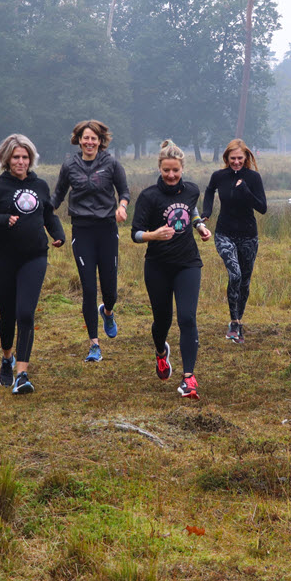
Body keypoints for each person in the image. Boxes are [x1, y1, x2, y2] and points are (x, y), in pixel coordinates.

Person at [0, 134, 65, 395]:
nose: (21, 162)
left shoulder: (40, 186)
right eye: (16, 157)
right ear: (6, 158)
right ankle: (7, 358)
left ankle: (22, 374)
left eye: (25, 157)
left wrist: (57, 235)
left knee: (25, 313)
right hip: (3, 259)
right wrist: (3, 219)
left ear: (31, 159)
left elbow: (48, 214)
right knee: (7, 315)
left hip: (34, 257)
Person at [130, 140, 212, 399]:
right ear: (160, 168)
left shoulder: (192, 190)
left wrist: (199, 227)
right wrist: (153, 234)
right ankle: (160, 352)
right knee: (162, 321)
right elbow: (135, 234)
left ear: (182, 169)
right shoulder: (148, 196)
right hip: (157, 266)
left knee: (187, 318)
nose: (171, 175)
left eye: (175, 170)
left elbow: (191, 209)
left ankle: (189, 378)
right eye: (166, 170)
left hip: (188, 263)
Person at [52, 120, 130, 363]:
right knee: (88, 288)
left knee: (110, 291)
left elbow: (124, 192)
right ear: (78, 139)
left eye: (94, 138)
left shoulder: (111, 163)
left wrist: (122, 207)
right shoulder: (69, 165)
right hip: (82, 230)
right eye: (85, 138)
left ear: (100, 141)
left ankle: (107, 311)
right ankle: (94, 345)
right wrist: (41, 214)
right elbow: (58, 195)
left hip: (107, 229)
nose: (89, 142)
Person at [201, 138, 267, 344]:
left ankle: (238, 322)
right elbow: (210, 190)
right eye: (232, 159)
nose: (236, 162)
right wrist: (206, 212)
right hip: (224, 234)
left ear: (246, 158)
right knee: (235, 274)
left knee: (245, 282)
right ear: (226, 158)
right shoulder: (219, 176)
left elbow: (262, 208)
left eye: (240, 158)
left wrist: (246, 191)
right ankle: (233, 321)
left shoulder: (253, 177)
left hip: (248, 235)